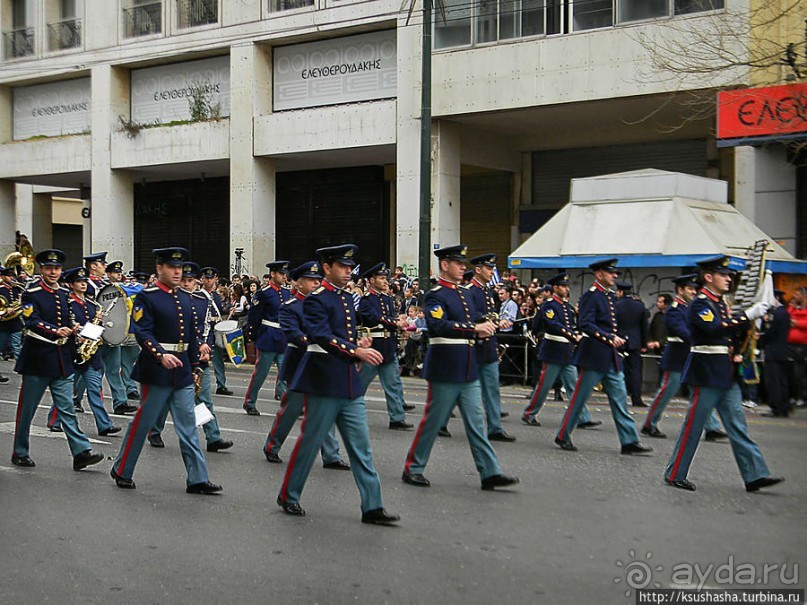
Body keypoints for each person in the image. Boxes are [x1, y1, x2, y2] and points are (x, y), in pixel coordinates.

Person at [276, 244, 399, 525]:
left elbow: (341, 335)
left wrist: (358, 342)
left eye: (349, 267)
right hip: (322, 380)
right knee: (310, 443)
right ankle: (289, 494)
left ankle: (373, 507)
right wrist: (356, 351)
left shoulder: (345, 298)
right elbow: (320, 335)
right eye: (342, 266)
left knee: (361, 447)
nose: (348, 271)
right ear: (327, 268)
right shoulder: (317, 299)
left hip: (347, 381)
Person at [402, 244, 519, 491]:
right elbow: (439, 326)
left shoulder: (464, 293)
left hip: (467, 365)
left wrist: (487, 323)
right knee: (434, 421)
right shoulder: (435, 295)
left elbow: (471, 319)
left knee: (476, 422)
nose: (463, 268)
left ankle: (490, 471)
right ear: (445, 265)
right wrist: (475, 328)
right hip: (445, 366)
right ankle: (413, 467)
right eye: (458, 263)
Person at [664, 255, 783, 493]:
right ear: (708, 277)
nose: (729, 279)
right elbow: (714, 328)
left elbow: (729, 330)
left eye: (728, 275)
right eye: (723, 275)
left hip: (724, 372)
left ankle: (755, 475)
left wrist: (749, 326)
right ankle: (675, 473)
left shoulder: (719, 302)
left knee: (737, 426)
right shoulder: (700, 303)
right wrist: (748, 315)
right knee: (694, 426)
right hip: (705, 372)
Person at [110, 247, 222, 494]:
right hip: (156, 370)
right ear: (159, 268)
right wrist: (161, 355)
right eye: (172, 267)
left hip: (181, 371)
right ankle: (122, 469)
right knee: (143, 422)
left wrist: (196, 364)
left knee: (188, 426)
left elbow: (191, 337)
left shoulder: (185, 297)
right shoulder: (147, 297)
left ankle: (197, 479)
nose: (177, 272)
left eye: (180, 268)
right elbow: (142, 332)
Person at [11, 249, 105, 471]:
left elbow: (68, 318)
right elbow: (31, 321)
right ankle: (20, 451)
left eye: (56, 268)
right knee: (27, 410)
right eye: (48, 268)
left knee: (67, 409)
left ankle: (81, 451)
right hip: (38, 359)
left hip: (62, 359)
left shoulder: (64, 293)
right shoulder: (32, 292)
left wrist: (75, 331)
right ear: (41, 269)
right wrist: (56, 330)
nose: (53, 272)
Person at [554, 259, 652, 455]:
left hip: (610, 357)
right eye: (611, 272)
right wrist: (609, 337)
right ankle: (563, 434)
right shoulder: (592, 296)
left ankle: (629, 440)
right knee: (579, 399)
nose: (615, 275)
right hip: (594, 356)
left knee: (620, 400)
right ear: (599, 275)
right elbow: (586, 324)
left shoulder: (608, 296)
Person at [263, 261, 348, 469]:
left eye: (317, 280)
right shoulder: (290, 307)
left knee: (324, 410)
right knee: (291, 409)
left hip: (322, 364)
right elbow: (292, 333)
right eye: (310, 280)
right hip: (300, 363)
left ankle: (331, 455)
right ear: (297, 283)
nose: (315, 284)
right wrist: (318, 341)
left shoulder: (323, 304)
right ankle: (272, 445)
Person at [148, 262, 234, 452]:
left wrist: (206, 347)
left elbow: (207, 328)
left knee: (203, 397)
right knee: (165, 396)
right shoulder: (172, 298)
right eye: (184, 281)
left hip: (197, 357)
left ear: (197, 282)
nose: (186, 284)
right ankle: (154, 430)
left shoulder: (204, 300)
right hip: (176, 355)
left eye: (190, 281)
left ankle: (213, 437)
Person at [641, 274, 725, 440]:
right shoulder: (674, 309)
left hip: (691, 357)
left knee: (700, 393)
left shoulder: (690, 307)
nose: (694, 292)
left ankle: (712, 427)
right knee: (666, 392)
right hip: (676, 358)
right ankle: (649, 424)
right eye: (689, 289)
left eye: (694, 288)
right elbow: (681, 330)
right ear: (680, 290)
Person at [46, 267, 121, 437]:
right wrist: (76, 332)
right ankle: (54, 421)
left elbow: (97, 327)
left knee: (95, 389)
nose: (83, 284)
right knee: (66, 390)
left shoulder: (93, 304)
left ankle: (104, 425)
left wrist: (98, 327)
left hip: (90, 354)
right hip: (72, 352)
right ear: (71, 284)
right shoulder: (67, 303)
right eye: (79, 282)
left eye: (85, 281)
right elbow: (63, 324)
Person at [522, 272, 601, 430]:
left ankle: (582, 417)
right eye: (563, 286)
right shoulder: (548, 306)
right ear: (555, 288)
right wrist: (573, 336)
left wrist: (575, 336)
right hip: (552, 350)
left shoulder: (566, 307)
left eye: (567, 286)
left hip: (566, 351)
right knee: (544, 386)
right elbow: (554, 325)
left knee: (573, 386)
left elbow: (571, 325)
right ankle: (529, 413)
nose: (566, 289)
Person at [357, 262, 416, 431]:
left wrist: (400, 326)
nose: (385, 282)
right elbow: (373, 317)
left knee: (393, 384)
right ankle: (346, 410)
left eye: (386, 278)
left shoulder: (388, 299)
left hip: (388, 347)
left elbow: (391, 320)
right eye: (381, 278)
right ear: (371, 280)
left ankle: (397, 418)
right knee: (360, 384)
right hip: (373, 347)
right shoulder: (366, 300)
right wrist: (395, 322)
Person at [466, 254, 516, 442]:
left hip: (488, 346)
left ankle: (495, 427)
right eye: (488, 268)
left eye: (493, 268)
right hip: (474, 345)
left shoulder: (487, 291)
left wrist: (498, 320)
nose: (492, 272)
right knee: (461, 389)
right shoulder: (469, 290)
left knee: (492, 388)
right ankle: (441, 421)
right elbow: (470, 314)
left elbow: (491, 313)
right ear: (478, 269)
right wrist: (490, 320)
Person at [243, 261, 290, 415]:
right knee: (261, 374)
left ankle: (286, 401)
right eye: (281, 274)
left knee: (285, 372)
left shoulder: (287, 293)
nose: (285, 276)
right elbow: (254, 316)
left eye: (285, 274)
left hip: (282, 338)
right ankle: (249, 402)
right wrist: (253, 336)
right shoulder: (264, 293)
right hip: (268, 337)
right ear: (273, 274)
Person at [98, 261, 137, 415]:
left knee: (114, 369)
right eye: (115, 272)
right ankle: (76, 397)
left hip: (113, 335)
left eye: (119, 272)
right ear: (108, 274)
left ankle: (120, 402)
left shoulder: (122, 289)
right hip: (98, 336)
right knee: (93, 372)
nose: (118, 274)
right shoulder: (96, 286)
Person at [198, 267, 233, 395]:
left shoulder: (216, 297)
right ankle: (199, 385)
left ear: (215, 279)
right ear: (202, 279)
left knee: (218, 360)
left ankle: (221, 384)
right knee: (200, 361)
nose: (208, 281)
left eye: (211, 278)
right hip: (204, 333)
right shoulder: (198, 296)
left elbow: (219, 311)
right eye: (206, 278)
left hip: (215, 331)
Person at [615, 282, 649, 407]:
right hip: (635, 341)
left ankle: (620, 396)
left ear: (621, 292)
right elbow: (644, 326)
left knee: (619, 370)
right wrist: (644, 343)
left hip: (619, 341)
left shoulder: (615, 305)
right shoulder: (639, 306)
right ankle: (636, 397)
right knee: (635, 370)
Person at [759, 289, 792, 418]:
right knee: (782, 381)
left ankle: (776, 407)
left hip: (773, 351)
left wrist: (762, 336)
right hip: (783, 350)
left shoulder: (777, 314)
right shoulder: (785, 313)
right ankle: (784, 407)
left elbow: (771, 332)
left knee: (773, 381)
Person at [0, 264, 24, 382]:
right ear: (3, 277)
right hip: (2, 323)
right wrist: (6, 310)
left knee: (17, 345)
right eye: (9, 276)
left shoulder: (16, 288)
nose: (11, 278)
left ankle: (21, 367)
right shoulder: (1, 289)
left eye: (12, 276)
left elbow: (20, 301)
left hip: (15, 322)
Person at [786, 286, 807, 408]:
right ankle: (794, 395)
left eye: (797, 295)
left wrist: (797, 323)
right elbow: (787, 318)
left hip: (802, 346)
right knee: (791, 372)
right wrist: (792, 306)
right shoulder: (793, 309)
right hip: (790, 345)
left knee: (800, 373)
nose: (794, 296)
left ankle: (803, 397)